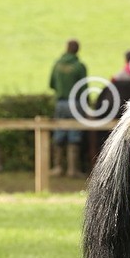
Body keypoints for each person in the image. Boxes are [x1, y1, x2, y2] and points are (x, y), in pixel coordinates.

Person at [49, 39, 87, 178]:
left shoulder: (57, 64)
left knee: (59, 134)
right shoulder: (79, 66)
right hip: (75, 103)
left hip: (60, 103)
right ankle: (72, 170)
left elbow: (51, 84)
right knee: (74, 135)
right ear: (77, 50)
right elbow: (83, 88)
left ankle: (57, 167)